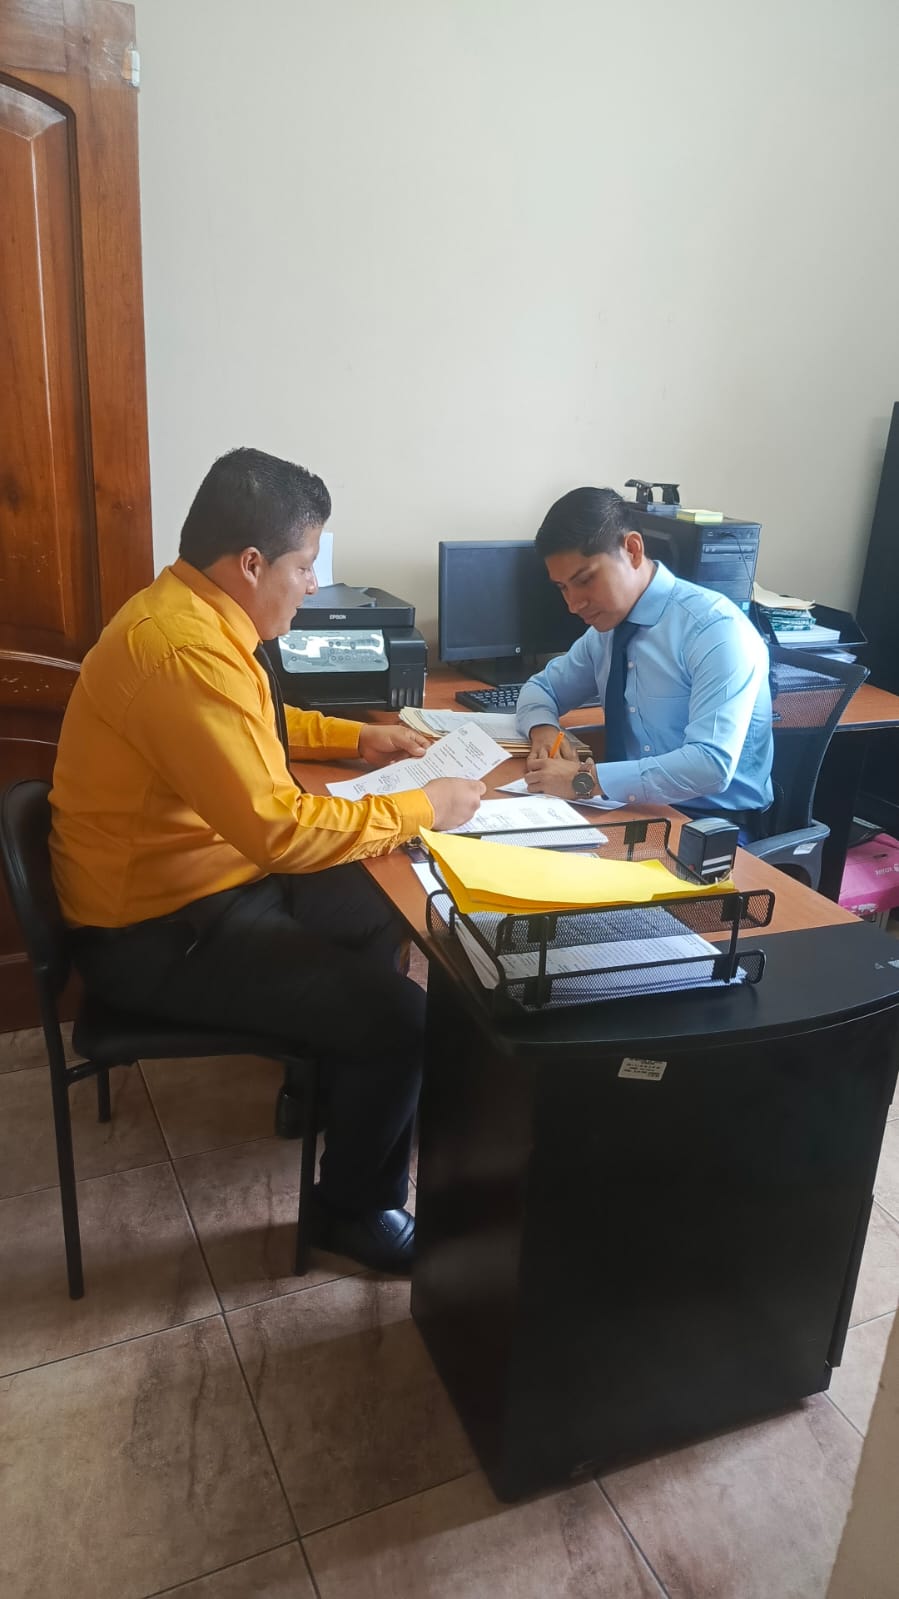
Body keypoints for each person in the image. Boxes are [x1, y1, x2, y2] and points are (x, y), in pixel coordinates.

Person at [49, 447, 484, 1274]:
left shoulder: (192, 614)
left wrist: (357, 737)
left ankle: (325, 1072)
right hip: (156, 931)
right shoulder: (183, 649)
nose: (312, 583)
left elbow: (251, 732)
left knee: (379, 906)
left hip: (208, 886)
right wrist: (424, 807)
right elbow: (278, 831)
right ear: (251, 563)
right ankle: (351, 1212)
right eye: (303, 564)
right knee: (403, 1019)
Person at [518, 487, 774, 837]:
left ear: (633, 550)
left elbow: (710, 766)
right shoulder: (608, 631)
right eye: (563, 587)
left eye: (585, 580)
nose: (573, 604)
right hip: (630, 809)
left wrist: (584, 780)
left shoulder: (715, 629)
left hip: (712, 826)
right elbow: (541, 689)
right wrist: (544, 731)